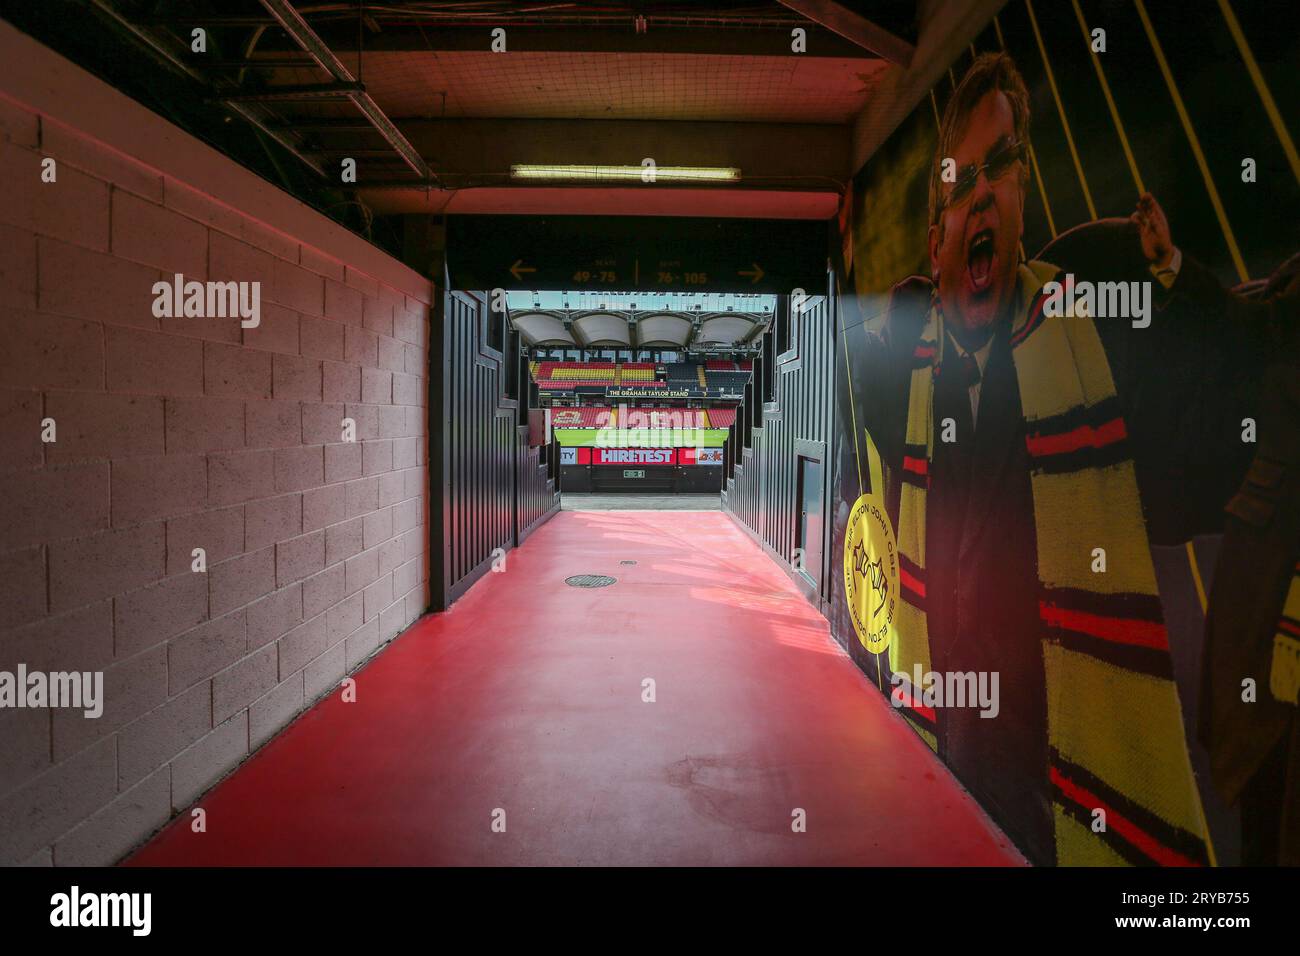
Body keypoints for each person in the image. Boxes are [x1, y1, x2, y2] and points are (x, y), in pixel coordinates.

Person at [852, 51, 1281, 865]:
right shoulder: (911, 383)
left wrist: (1172, 277)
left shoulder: (1085, 341)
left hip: (1062, 783)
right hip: (946, 756)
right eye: (960, 181)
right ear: (937, 233)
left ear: (1022, 192)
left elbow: (1200, 472)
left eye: (1001, 167)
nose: (983, 190)